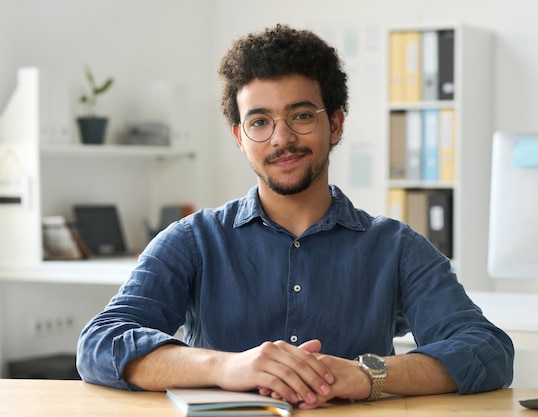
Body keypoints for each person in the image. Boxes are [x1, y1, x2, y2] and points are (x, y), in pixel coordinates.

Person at [77, 24, 514, 410]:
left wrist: (366, 376)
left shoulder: (395, 247)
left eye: (301, 116)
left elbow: (487, 350)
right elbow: (100, 344)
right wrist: (229, 367)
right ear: (240, 137)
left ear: (336, 124)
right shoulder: (193, 240)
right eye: (260, 122)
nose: (281, 138)